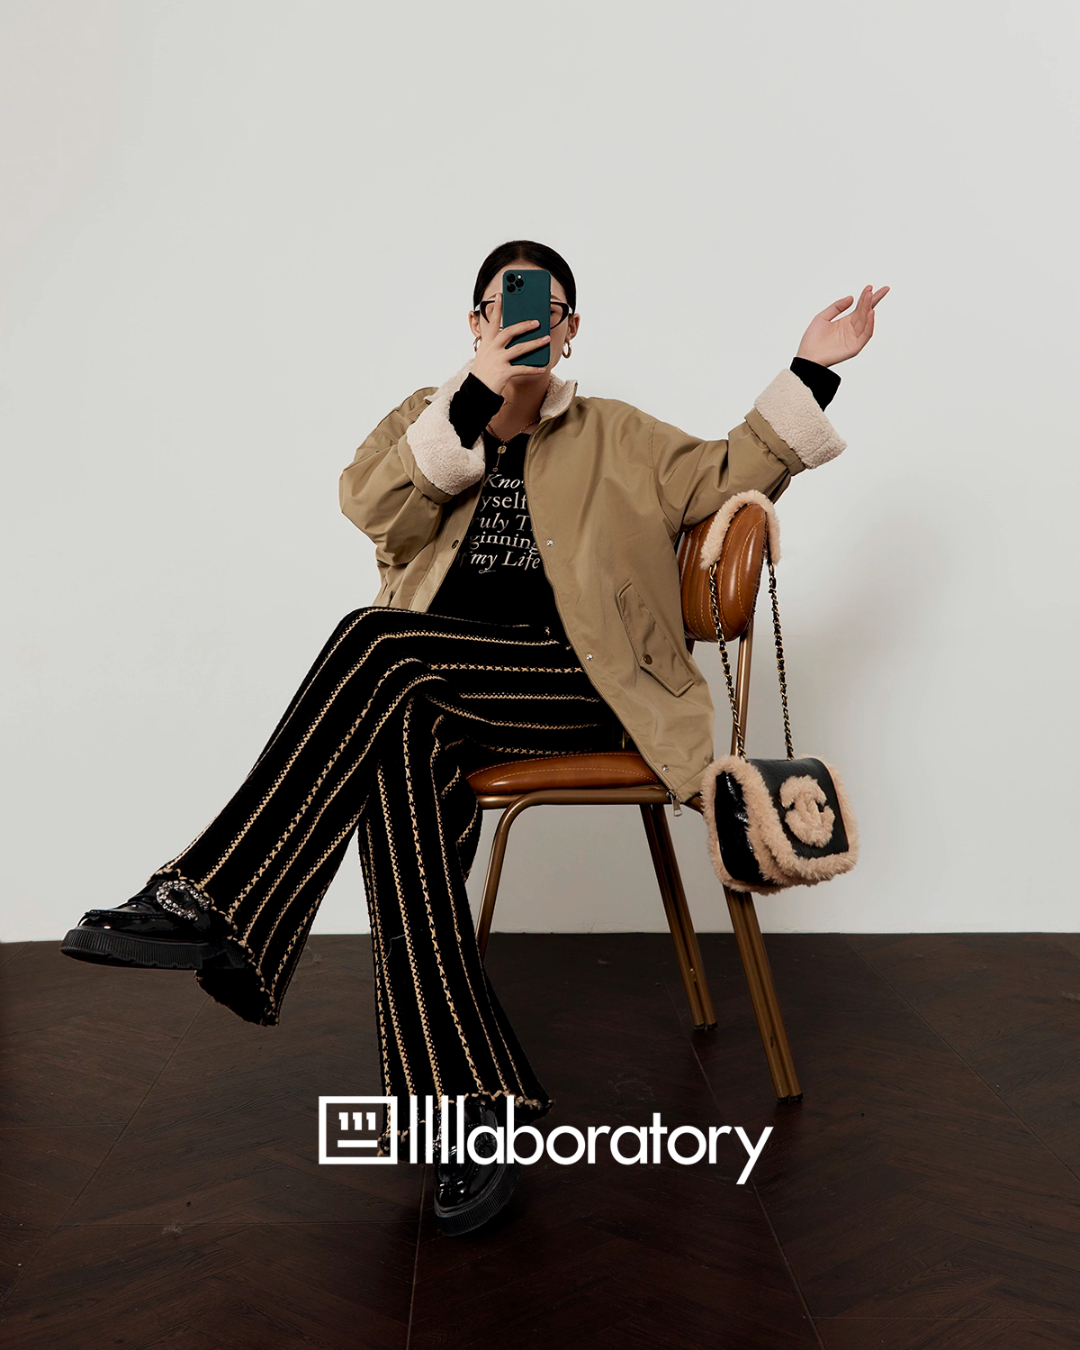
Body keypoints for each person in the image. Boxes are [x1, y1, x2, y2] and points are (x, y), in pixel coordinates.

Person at [61, 240, 888, 1236]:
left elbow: (729, 471)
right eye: (506, 306)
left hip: (581, 687)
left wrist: (812, 367)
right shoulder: (429, 418)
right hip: (439, 689)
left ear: (570, 332)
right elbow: (369, 507)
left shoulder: (617, 434)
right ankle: (466, 1112)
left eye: (548, 309)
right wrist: (469, 400)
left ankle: (217, 896)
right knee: (399, 752)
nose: (528, 321)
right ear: (477, 323)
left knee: (375, 641)